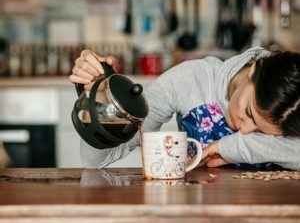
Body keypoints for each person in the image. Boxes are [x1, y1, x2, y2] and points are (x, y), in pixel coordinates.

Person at [69, 47, 300, 169]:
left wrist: (233, 147)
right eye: (249, 112)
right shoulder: (190, 79)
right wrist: (97, 103)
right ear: (253, 71)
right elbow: (98, 161)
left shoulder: (293, 105)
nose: (247, 129)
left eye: (262, 132)